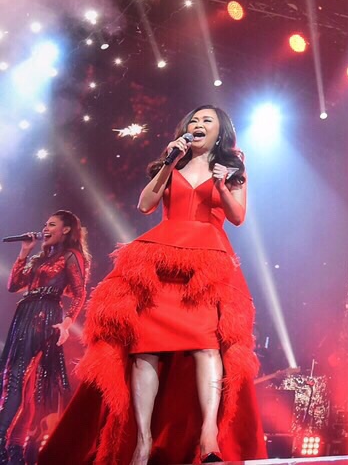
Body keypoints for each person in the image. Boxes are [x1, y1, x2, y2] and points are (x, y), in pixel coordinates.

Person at [40, 105, 266, 465]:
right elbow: (145, 205)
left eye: (206, 120)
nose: (198, 124)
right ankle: (143, 442)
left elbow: (237, 217)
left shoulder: (233, 168)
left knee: (206, 345)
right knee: (145, 348)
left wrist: (223, 185)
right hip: (160, 262)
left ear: (220, 131)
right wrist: (168, 164)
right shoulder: (172, 162)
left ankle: (209, 435)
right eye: (193, 120)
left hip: (204, 267)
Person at [0, 211, 89, 464]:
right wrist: (24, 251)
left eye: (51, 224)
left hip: (43, 315)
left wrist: (66, 323)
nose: (45, 229)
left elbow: (80, 293)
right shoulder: (40, 258)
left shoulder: (71, 255)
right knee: (23, 384)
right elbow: (13, 285)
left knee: (17, 377)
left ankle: (2, 439)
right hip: (25, 314)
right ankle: (14, 448)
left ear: (66, 229)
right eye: (44, 225)